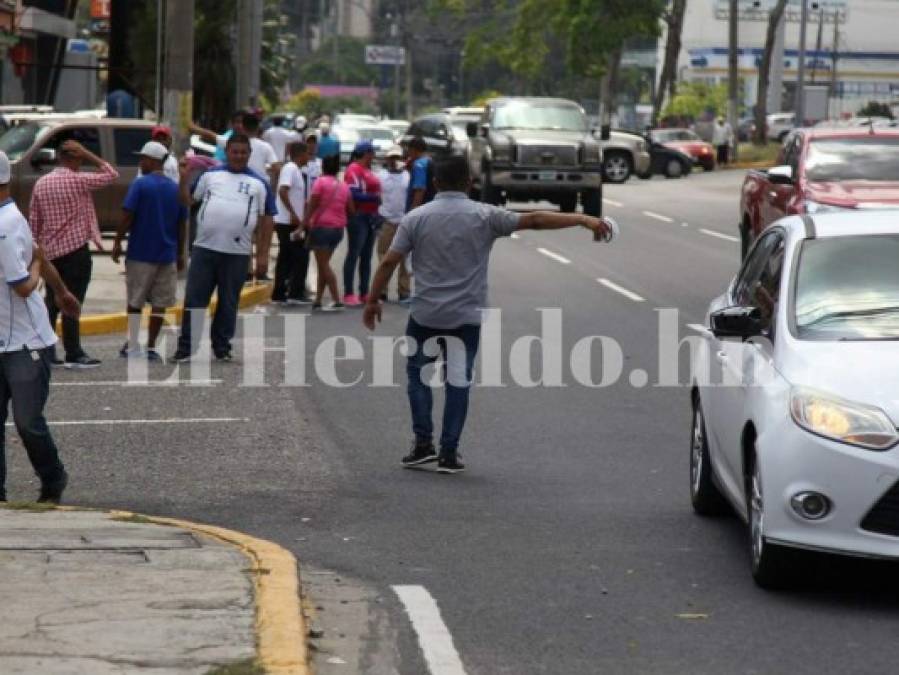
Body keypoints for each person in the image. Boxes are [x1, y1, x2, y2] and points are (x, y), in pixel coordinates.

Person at [363, 156, 612, 474]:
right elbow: (535, 219)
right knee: (458, 381)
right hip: (466, 316)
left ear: (435, 183)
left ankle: (423, 444)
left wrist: (372, 301)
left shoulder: (416, 218)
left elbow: (388, 262)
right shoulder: (485, 215)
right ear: (469, 182)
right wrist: (582, 219)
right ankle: (449, 453)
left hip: (425, 314)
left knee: (418, 378)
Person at [0, 150, 80, 504]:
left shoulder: (6, 225)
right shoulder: (12, 217)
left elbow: (23, 284)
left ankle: (53, 477)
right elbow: (39, 252)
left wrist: (35, 268)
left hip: (26, 342)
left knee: (27, 421)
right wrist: (62, 291)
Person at [172, 134, 276, 362]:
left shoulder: (260, 184)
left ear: (249, 154)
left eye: (243, 152)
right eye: (234, 152)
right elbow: (187, 201)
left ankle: (222, 346)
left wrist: (262, 256)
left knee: (229, 302)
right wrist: (183, 179)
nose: (238, 156)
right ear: (227, 153)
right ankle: (186, 347)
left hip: (238, 254)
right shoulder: (210, 176)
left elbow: (267, 220)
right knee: (195, 299)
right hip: (204, 249)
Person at [29, 139, 118, 369]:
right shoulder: (78, 181)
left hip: (51, 253)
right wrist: (90, 154)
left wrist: (37, 253)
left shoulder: (42, 183)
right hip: (76, 251)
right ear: (74, 158)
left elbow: (35, 220)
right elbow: (110, 174)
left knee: (53, 300)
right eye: (79, 158)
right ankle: (73, 351)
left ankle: (46, 350)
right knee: (72, 300)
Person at [112, 141, 188, 360]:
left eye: (143, 158)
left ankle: (134, 343)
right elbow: (181, 223)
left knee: (135, 302)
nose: (140, 162)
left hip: (140, 254)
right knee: (159, 303)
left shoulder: (140, 184)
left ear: (153, 161)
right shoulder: (174, 188)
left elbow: (127, 215)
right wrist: (181, 253)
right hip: (167, 255)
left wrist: (117, 242)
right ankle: (152, 346)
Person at [304, 154, 352, 311]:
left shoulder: (320, 182)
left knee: (323, 265)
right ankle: (318, 299)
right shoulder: (344, 186)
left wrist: (305, 221)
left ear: (323, 167)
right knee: (322, 265)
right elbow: (351, 209)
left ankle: (337, 299)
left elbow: (312, 204)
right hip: (338, 230)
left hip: (322, 228)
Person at [272, 142, 312, 305]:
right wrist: (293, 214)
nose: (309, 157)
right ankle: (295, 292)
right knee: (300, 256)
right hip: (288, 221)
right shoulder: (290, 168)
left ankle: (280, 293)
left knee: (286, 257)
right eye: (307, 153)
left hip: (290, 220)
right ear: (301, 154)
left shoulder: (296, 170)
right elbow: (283, 190)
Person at [343, 140, 382, 306]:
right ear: (366, 152)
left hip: (371, 216)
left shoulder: (368, 170)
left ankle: (365, 292)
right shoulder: (354, 169)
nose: (374, 154)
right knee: (354, 253)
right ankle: (349, 292)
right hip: (359, 216)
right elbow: (352, 193)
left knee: (366, 256)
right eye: (372, 151)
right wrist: (374, 198)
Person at [191, 112, 279, 183]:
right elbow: (276, 168)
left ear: (243, 127)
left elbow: (210, 135)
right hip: (260, 184)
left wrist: (192, 127)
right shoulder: (266, 146)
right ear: (258, 128)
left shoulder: (232, 143)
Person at [376, 145, 411, 303]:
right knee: (384, 256)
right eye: (392, 158)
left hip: (404, 221)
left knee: (405, 257)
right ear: (387, 159)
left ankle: (404, 290)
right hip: (386, 220)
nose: (394, 161)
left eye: (397, 157)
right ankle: (382, 290)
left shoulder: (407, 176)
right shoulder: (381, 176)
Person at [406, 137, 436, 211]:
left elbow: (419, 190)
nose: (409, 154)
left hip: (420, 209)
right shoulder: (430, 161)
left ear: (413, 150)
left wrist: (412, 211)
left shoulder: (419, 165)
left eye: (409, 151)